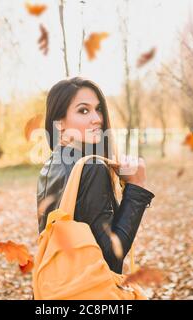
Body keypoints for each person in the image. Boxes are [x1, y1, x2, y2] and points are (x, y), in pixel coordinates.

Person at [36, 76, 155, 274]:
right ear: (59, 123)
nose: (97, 119)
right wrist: (136, 188)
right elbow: (110, 258)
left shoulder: (49, 166)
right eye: (83, 110)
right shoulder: (91, 168)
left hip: (57, 288)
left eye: (98, 109)